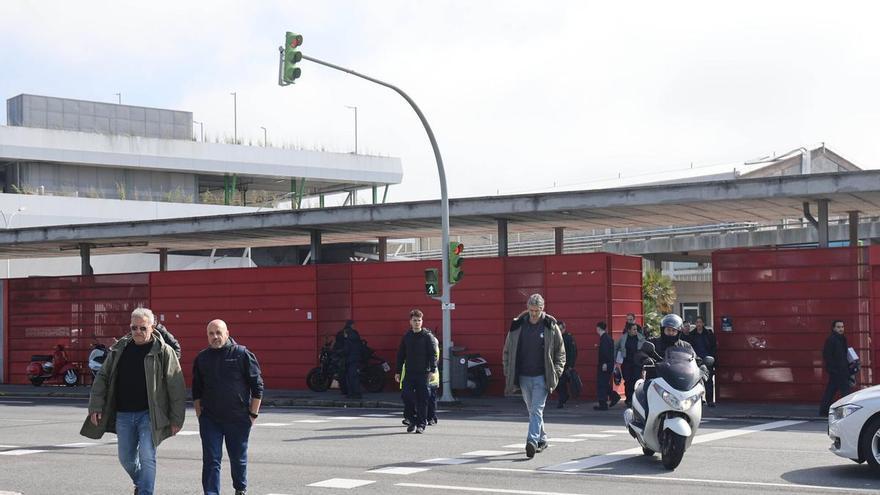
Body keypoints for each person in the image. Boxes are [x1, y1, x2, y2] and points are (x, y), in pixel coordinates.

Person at [80, 307, 186, 495]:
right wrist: (95, 406)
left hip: (150, 415)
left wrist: (177, 419)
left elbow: (176, 386)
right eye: (134, 327)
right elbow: (102, 377)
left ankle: (145, 491)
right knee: (126, 458)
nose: (138, 331)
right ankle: (141, 482)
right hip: (124, 414)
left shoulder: (163, 351)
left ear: (152, 327)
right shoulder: (119, 349)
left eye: (143, 328)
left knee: (147, 456)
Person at [193, 319, 264, 495]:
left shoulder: (242, 354)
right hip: (210, 420)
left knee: (238, 459)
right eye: (211, 333)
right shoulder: (202, 358)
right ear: (207, 336)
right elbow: (196, 391)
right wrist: (200, 415)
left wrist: (253, 414)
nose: (215, 336)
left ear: (227, 333)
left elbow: (257, 386)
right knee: (211, 460)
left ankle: (240, 489)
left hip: (238, 418)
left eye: (218, 332)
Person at [502, 293, 566, 459]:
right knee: (532, 410)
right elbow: (507, 350)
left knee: (537, 409)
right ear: (527, 308)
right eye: (531, 310)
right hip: (523, 376)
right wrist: (508, 370)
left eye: (537, 311)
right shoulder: (517, 326)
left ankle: (531, 441)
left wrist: (556, 372)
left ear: (542, 309)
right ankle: (542, 439)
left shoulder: (550, 326)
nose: (534, 314)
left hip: (542, 377)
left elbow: (560, 352)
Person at [394, 309, 438, 434]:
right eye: (415, 320)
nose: (417, 322)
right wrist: (397, 371)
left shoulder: (427, 336)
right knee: (406, 395)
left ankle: (421, 425)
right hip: (409, 373)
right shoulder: (407, 336)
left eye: (419, 320)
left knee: (423, 399)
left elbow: (433, 355)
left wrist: (432, 370)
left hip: (423, 373)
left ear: (422, 321)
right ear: (410, 321)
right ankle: (412, 419)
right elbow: (401, 355)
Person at [819, 320, 851, 417]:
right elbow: (827, 355)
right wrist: (833, 369)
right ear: (833, 328)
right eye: (838, 327)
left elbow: (844, 355)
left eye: (842, 327)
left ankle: (824, 411)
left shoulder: (842, 339)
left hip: (842, 370)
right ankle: (847, 412)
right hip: (837, 371)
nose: (841, 329)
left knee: (831, 391)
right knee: (845, 392)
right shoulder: (831, 340)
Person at [687, 317, 717, 407]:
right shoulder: (691, 335)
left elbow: (714, 347)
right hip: (696, 361)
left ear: (703, 323)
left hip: (707, 360)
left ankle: (710, 401)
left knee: (708, 381)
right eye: (697, 322)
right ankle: (698, 400)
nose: (698, 324)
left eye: (700, 322)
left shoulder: (709, 334)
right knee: (696, 381)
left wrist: (712, 357)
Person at [614, 321, 646, 406]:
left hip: (637, 363)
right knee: (628, 381)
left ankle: (636, 399)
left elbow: (646, 348)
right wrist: (615, 359)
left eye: (636, 329)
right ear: (628, 330)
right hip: (627, 362)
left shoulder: (641, 338)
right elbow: (615, 347)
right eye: (634, 329)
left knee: (637, 380)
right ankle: (628, 399)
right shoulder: (623, 338)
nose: (636, 331)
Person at [334, 320, 363, 399]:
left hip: (350, 359)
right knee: (353, 377)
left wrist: (339, 352)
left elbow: (346, 350)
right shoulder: (355, 336)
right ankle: (354, 393)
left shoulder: (348, 339)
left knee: (351, 377)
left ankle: (353, 393)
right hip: (355, 358)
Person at [594, 321, 620, 410]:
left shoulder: (604, 339)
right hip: (608, 364)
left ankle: (603, 403)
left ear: (598, 328)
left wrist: (605, 363)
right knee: (604, 383)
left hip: (604, 364)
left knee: (602, 383)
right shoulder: (607, 338)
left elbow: (605, 353)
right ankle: (613, 397)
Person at [556, 321, 577, 409]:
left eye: (560, 329)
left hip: (566, 365)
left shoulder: (568, 338)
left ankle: (562, 400)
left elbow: (573, 352)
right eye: (558, 329)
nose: (559, 331)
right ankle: (564, 396)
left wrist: (571, 365)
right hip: (557, 365)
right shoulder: (555, 337)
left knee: (561, 383)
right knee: (558, 384)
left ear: (564, 329)